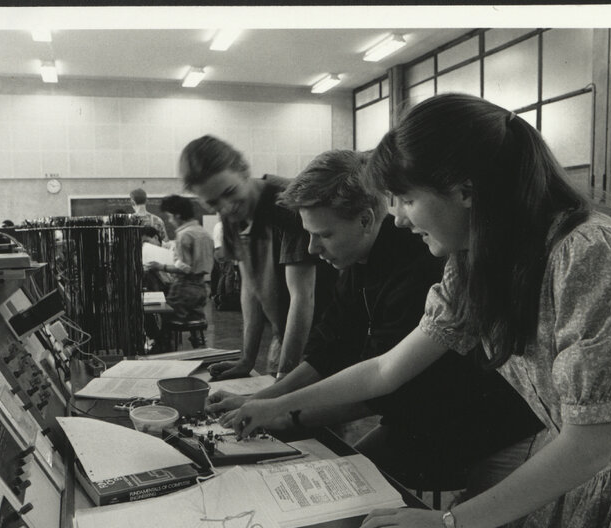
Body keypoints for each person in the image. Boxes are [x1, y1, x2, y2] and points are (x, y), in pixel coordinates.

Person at [220, 93, 611, 528]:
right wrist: (274, 404)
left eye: (406, 199)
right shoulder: (473, 260)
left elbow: (589, 444)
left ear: (465, 190)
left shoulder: (588, 252)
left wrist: (448, 523)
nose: (399, 218)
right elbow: (385, 369)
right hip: (605, 464)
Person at [207, 149, 544, 491]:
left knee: (356, 490)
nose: (311, 249)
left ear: (367, 220)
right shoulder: (358, 262)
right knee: (349, 482)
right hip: (417, 417)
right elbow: (331, 347)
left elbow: (382, 385)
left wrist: (284, 414)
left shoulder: (422, 267)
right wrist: (266, 400)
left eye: (324, 235)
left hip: (481, 429)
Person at [178, 135, 334, 380]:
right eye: (213, 203)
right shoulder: (232, 215)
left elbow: (303, 297)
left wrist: (285, 377)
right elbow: (250, 288)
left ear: (243, 170)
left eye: (230, 192)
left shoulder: (288, 205)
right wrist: (246, 360)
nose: (227, 207)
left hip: (323, 338)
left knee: (307, 412)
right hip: (283, 334)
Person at [147, 195, 215, 325]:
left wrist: (160, 266)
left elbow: (184, 268)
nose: (170, 221)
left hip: (184, 289)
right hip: (202, 289)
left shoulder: (184, 235)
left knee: (161, 320)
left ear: (177, 215)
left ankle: (162, 344)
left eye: (170, 217)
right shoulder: (204, 233)